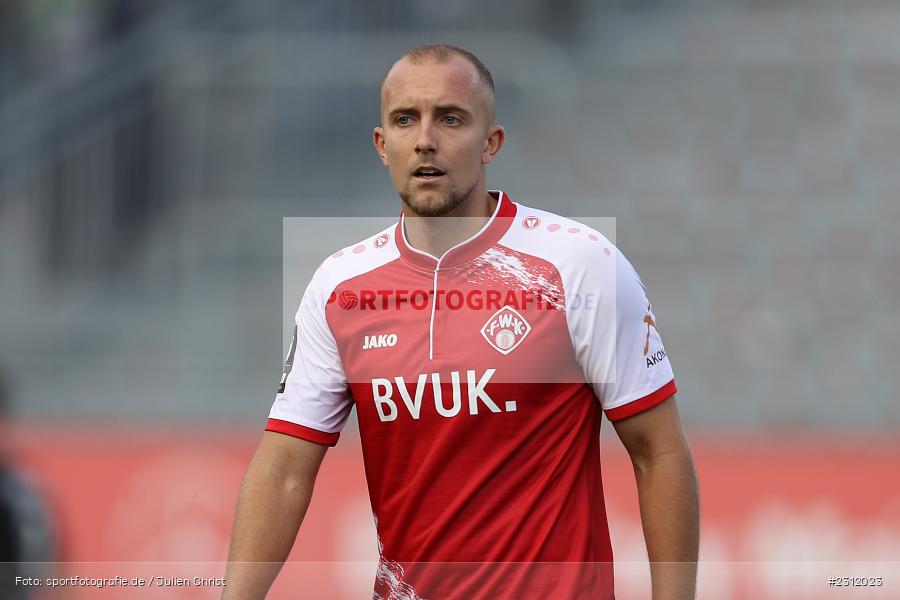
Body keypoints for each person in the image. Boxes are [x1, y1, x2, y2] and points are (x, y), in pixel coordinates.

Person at [224, 43, 699, 600]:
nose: (426, 139)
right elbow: (282, 470)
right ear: (382, 145)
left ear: (491, 142)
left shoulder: (578, 265)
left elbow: (658, 451)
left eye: (450, 118)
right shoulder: (340, 287)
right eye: (406, 120)